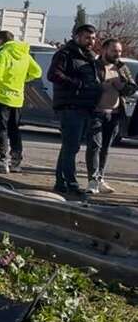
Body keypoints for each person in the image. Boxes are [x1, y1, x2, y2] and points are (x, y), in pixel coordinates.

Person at [48, 24, 101, 196]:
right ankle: (71, 183)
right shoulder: (65, 54)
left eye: (93, 38)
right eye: (87, 37)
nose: (91, 41)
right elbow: (54, 75)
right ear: (77, 37)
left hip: (85, 106)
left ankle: (61, 181)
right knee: (71, 147)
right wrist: (77, 84)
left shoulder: (91, 57)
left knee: (69, 147)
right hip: (70, 106)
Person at [0, 30, 42, 173]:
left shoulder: (2, 54)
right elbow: (37, 72)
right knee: (14, 130)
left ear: (2, 40)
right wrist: (22, 79)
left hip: (1, 97)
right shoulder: (24, 55)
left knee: (0, 130)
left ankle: (1, 161)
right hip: (17, 98)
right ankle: (16, 161)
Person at [86, 38, 137, 194]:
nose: (117, 54)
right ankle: (92, 180)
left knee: (105, 148)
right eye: (114, 50)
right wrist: (102, 86)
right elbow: (86, 85)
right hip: (96, 112)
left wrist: (122, 86)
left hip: (114, 114)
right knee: (95, 146)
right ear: (104, 50)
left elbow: (132, 87)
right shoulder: (94, 66)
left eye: (120, 51)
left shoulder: (121, 68)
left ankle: (100, 177)